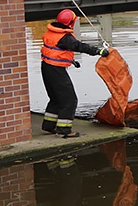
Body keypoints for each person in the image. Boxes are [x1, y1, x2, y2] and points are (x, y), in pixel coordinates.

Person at [41, 9, 110, 138]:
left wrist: (71, 60)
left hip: (46, 67)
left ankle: (48, 126)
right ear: (71, 22)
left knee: (56, 98)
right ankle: (64, 131)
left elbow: (56, 50)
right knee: (69, 100)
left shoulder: (52, 32)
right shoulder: (65, 37)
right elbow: (79, 46)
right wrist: (99, 51)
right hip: (56, 70)